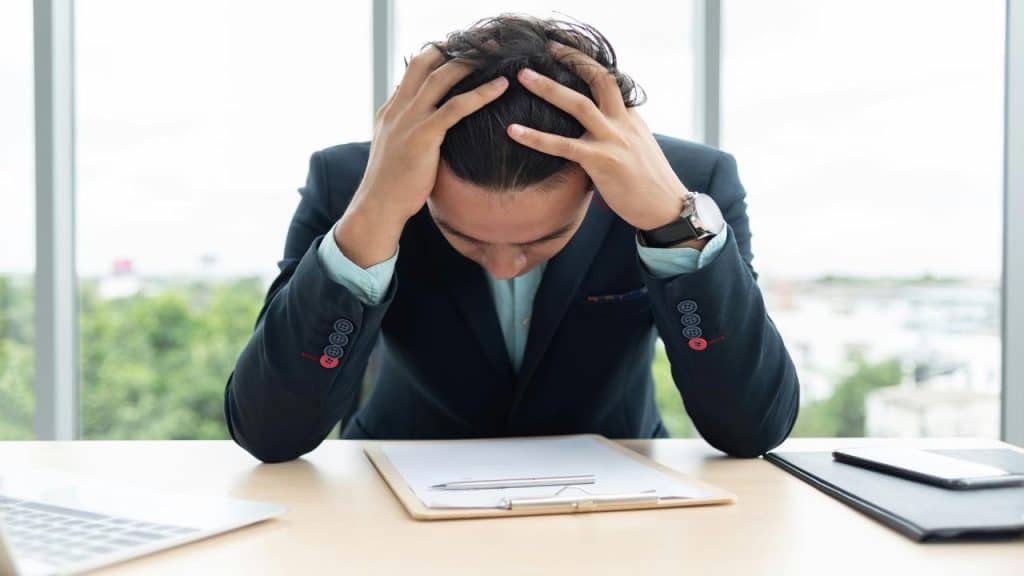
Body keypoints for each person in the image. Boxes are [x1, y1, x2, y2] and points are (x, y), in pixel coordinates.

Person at [224, 14, 799, 463]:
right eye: (466, 237)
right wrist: (372, 218)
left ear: (595, 188)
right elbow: (268, 432)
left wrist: (673, 227)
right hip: (391, 491)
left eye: (542, 240)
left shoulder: (689, 187)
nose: (503, 266)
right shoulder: (352, 184)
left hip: (617, 500)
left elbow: (752, 429)